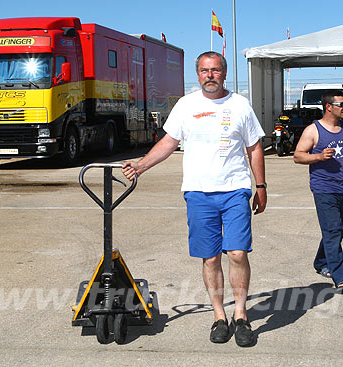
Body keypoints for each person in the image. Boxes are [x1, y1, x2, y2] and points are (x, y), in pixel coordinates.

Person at [122, 51, 266, 347]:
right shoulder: (186, 105)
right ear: (197, 74)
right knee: (210, 258)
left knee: (238, 254)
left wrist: (260, 185)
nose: (209, 75)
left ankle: (241, 315)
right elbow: (169, 142)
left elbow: (254, 147)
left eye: (214, 70)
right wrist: (141, 165)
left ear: (224, 73)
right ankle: (219, 317)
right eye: (204, 71)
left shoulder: (240, 105)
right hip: (198, 193)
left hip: (235, 189)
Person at [293, 90, 343, 293]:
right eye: (341, 104)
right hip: (323, 188)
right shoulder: (313, 130)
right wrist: (318, 157)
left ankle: (321, 261)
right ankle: (340, 276)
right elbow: (298, 156)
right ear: (329, 107)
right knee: (332, 230)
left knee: (339, 228)